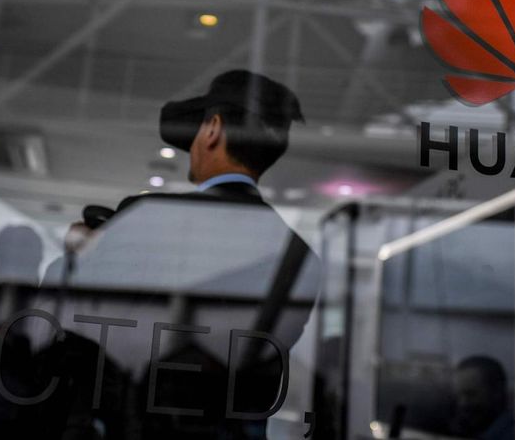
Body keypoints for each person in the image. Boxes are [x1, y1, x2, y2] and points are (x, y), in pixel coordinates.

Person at [33, 69, 321, 439]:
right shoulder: (300, 259)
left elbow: (60, 326)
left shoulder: (147, 218)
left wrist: (75, 257)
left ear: (213, 129)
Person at [451, 356, 515, 440]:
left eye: (471, 394)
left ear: (496, 392)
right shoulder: (468, 426)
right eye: (459, 395)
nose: (462, 402)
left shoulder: (511, 432)